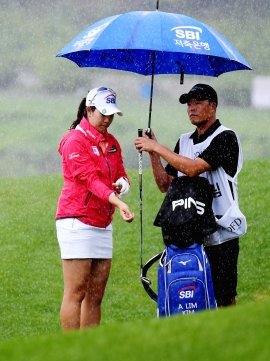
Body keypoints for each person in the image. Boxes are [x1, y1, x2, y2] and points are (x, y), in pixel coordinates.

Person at [134, 83, 245, 307]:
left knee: (224, 299)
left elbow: (194, 168)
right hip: (191, 235)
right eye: (189, 104)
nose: (192, 108)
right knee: (192, 298)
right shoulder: (184, 141)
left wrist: (157, 147)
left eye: (199, 103)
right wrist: (153, 153)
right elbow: (165, 184)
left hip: (222, 233)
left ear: (213, 107)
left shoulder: (226, 138)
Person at [56, 86, 135, 331]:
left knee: (95, 295)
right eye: (103, 114)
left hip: (102, 223)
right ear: (89, 110)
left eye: (111, 114)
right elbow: (90, 182)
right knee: (77, 292)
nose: (108, 120)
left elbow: (121, 174)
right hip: (76, 221)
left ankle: (90, 351)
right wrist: (119, 202)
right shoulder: (74, 141)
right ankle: (70, 352)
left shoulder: (111, 143)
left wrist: (123, 185)